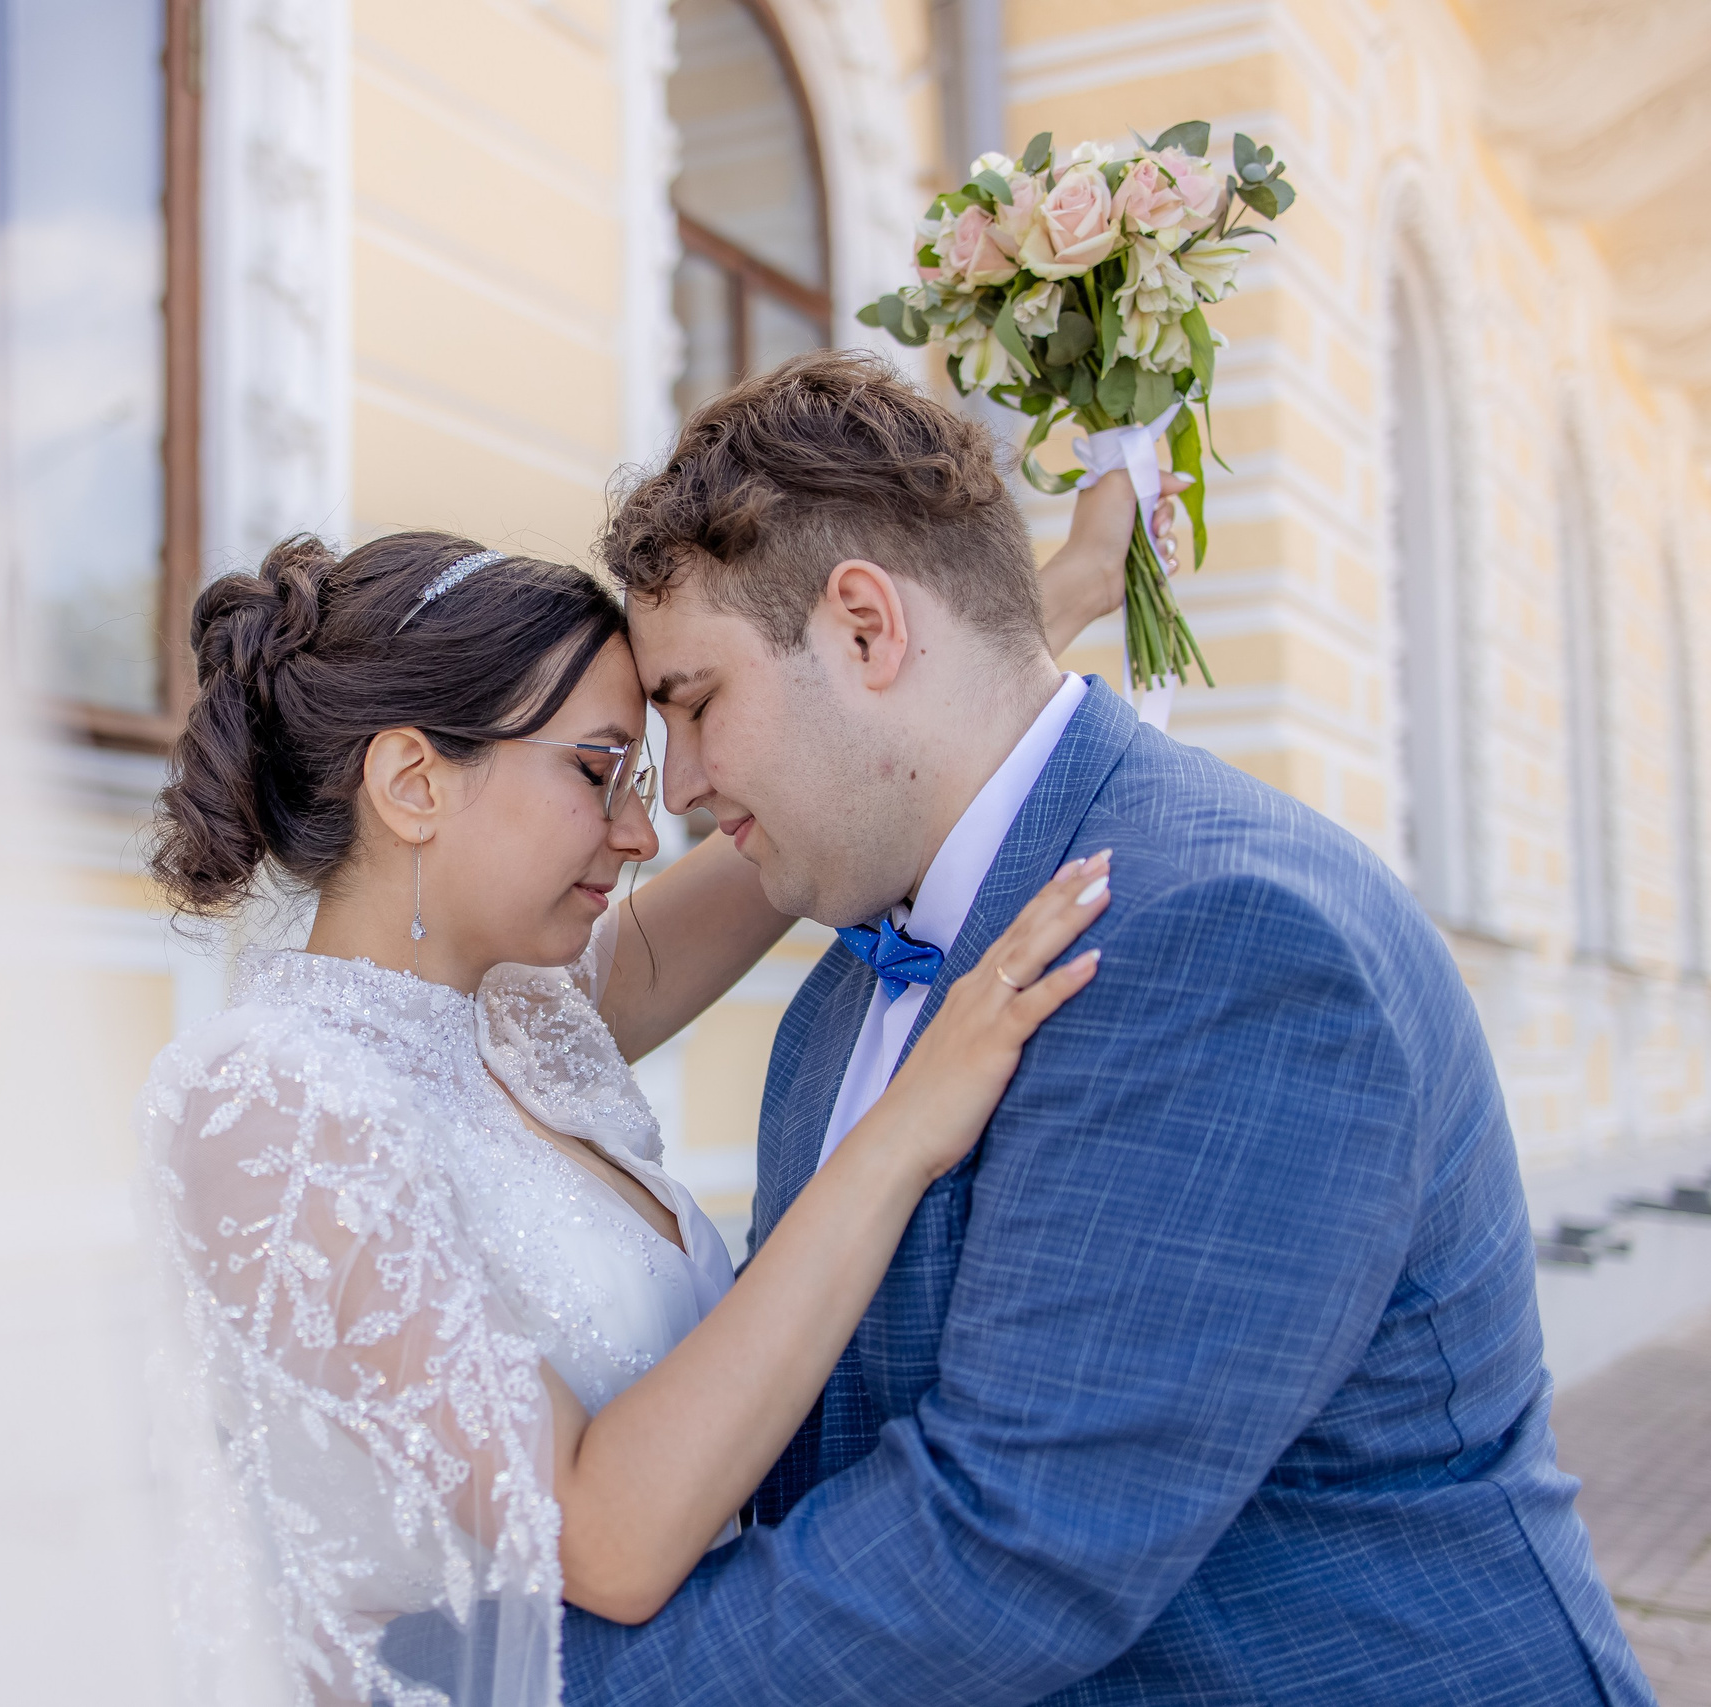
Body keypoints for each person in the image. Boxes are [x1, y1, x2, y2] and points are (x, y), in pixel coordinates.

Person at [556, 350, 1651, 1706]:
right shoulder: (845, 982)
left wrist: (525, 1685)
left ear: (864, 627)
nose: (680, 789)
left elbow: (1004, 1549)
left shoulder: (1230, 935)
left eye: (697, 702)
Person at [137, 483, 1150, 1705]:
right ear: (413, 782)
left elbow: (815, 814)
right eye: (601, 769)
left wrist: (1064, 593)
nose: (642, 829)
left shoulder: (527, 1020)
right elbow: (598, 1541)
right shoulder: (273, 1104)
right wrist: (901, 1140)